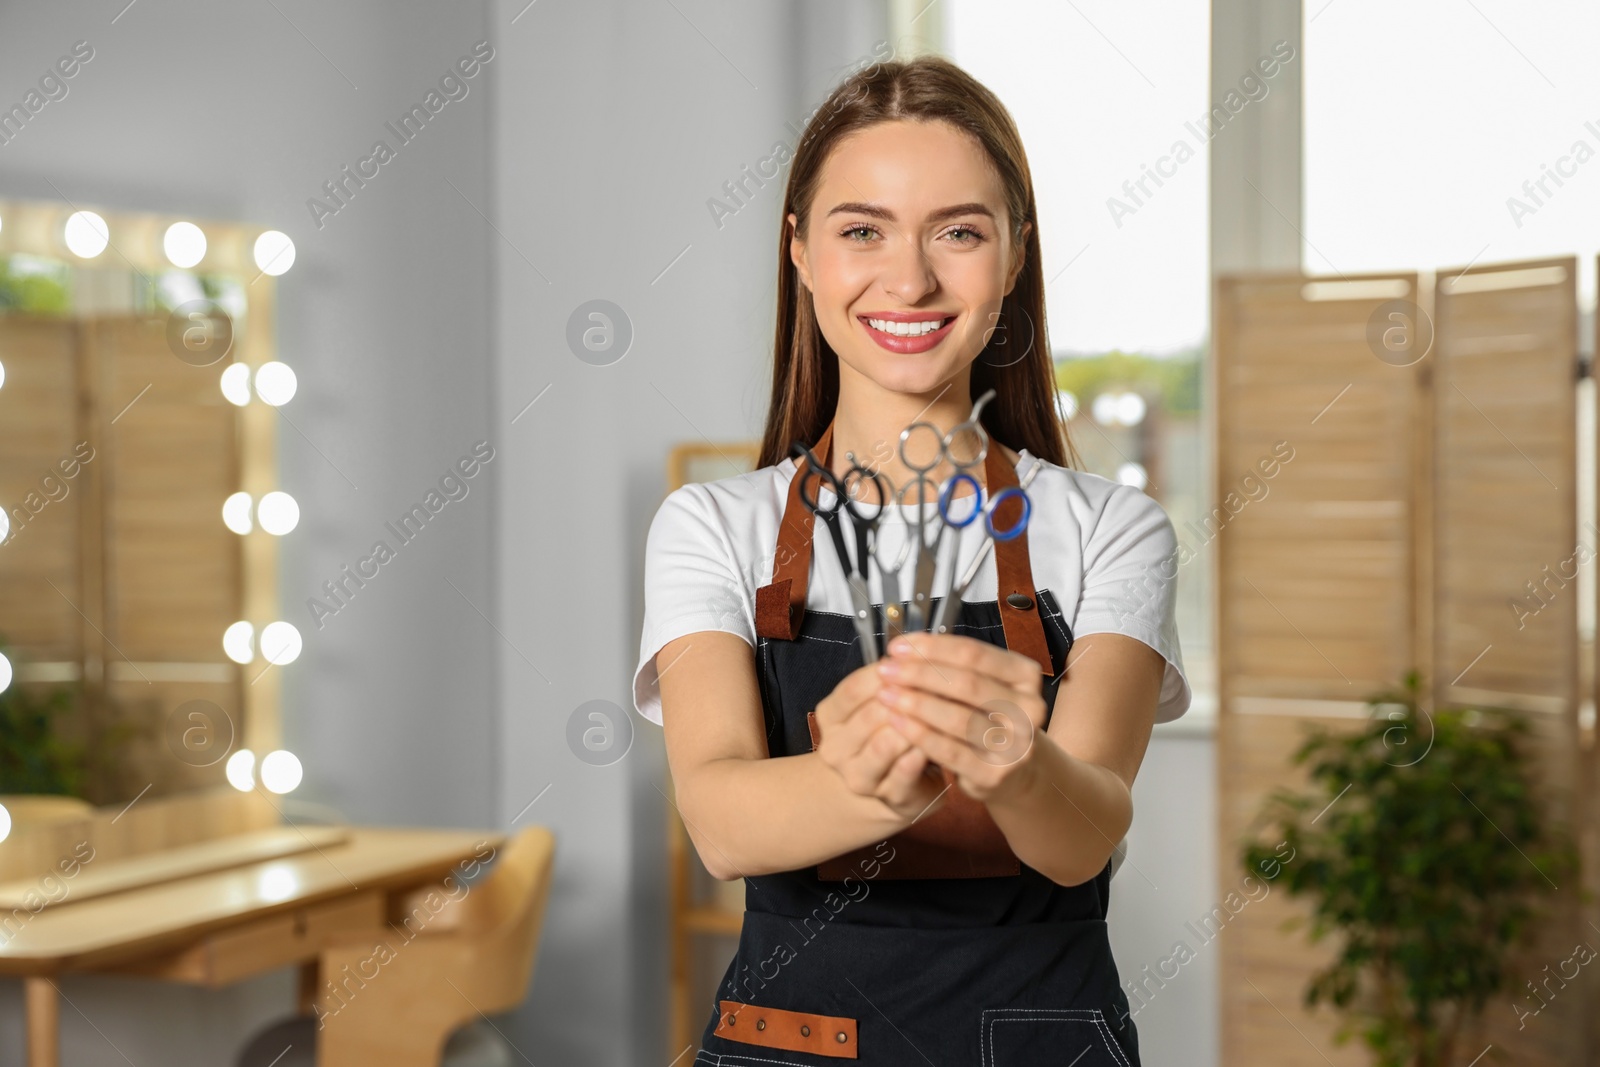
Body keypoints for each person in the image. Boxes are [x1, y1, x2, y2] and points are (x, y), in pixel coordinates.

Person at [634, 53, 1191, 1066]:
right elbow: (722, 824)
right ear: (799, 251)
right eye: (861, 231)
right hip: (793, 1044)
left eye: (960, 232)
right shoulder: (712, 527)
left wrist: (1012, 762)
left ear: (1014, 253)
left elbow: (1082, 833)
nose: (910, 279)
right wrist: (862, 782)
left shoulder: (1114, 527)